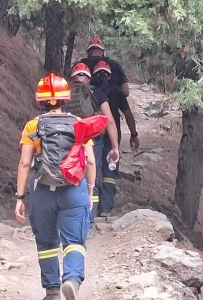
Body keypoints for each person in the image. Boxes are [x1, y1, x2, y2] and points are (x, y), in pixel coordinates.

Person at [15, 73, 96, 300]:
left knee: (47, 242)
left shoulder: (33, 125)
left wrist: (20, 197)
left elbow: (24, 163)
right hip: (74, 189)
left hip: (42, 192)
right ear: (66, 99)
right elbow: (90, 160)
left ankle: (52, 291)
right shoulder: (79, 124)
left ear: (41, 100)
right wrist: (89, 191)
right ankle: (71, 279)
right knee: (75, 241)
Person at [64, 62, 119, 227]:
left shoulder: (64, 92)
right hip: (92, 139)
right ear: (88, 78)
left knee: (68, 174)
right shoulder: (97, 92)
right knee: (92, 177)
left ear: (72, 77)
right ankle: (88, 218)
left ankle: (67, 215)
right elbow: (109, 120)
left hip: (67, 139)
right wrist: (115, 146)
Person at [91, 61, 139, 216]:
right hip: (113, 135)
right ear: (109, 75)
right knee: (110, 170)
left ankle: (91, 208)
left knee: (94, 168)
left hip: (93, 135)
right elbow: (128, 114)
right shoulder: (117, 92)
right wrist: (134, 134)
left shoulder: (90, 91)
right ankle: (106, 208)